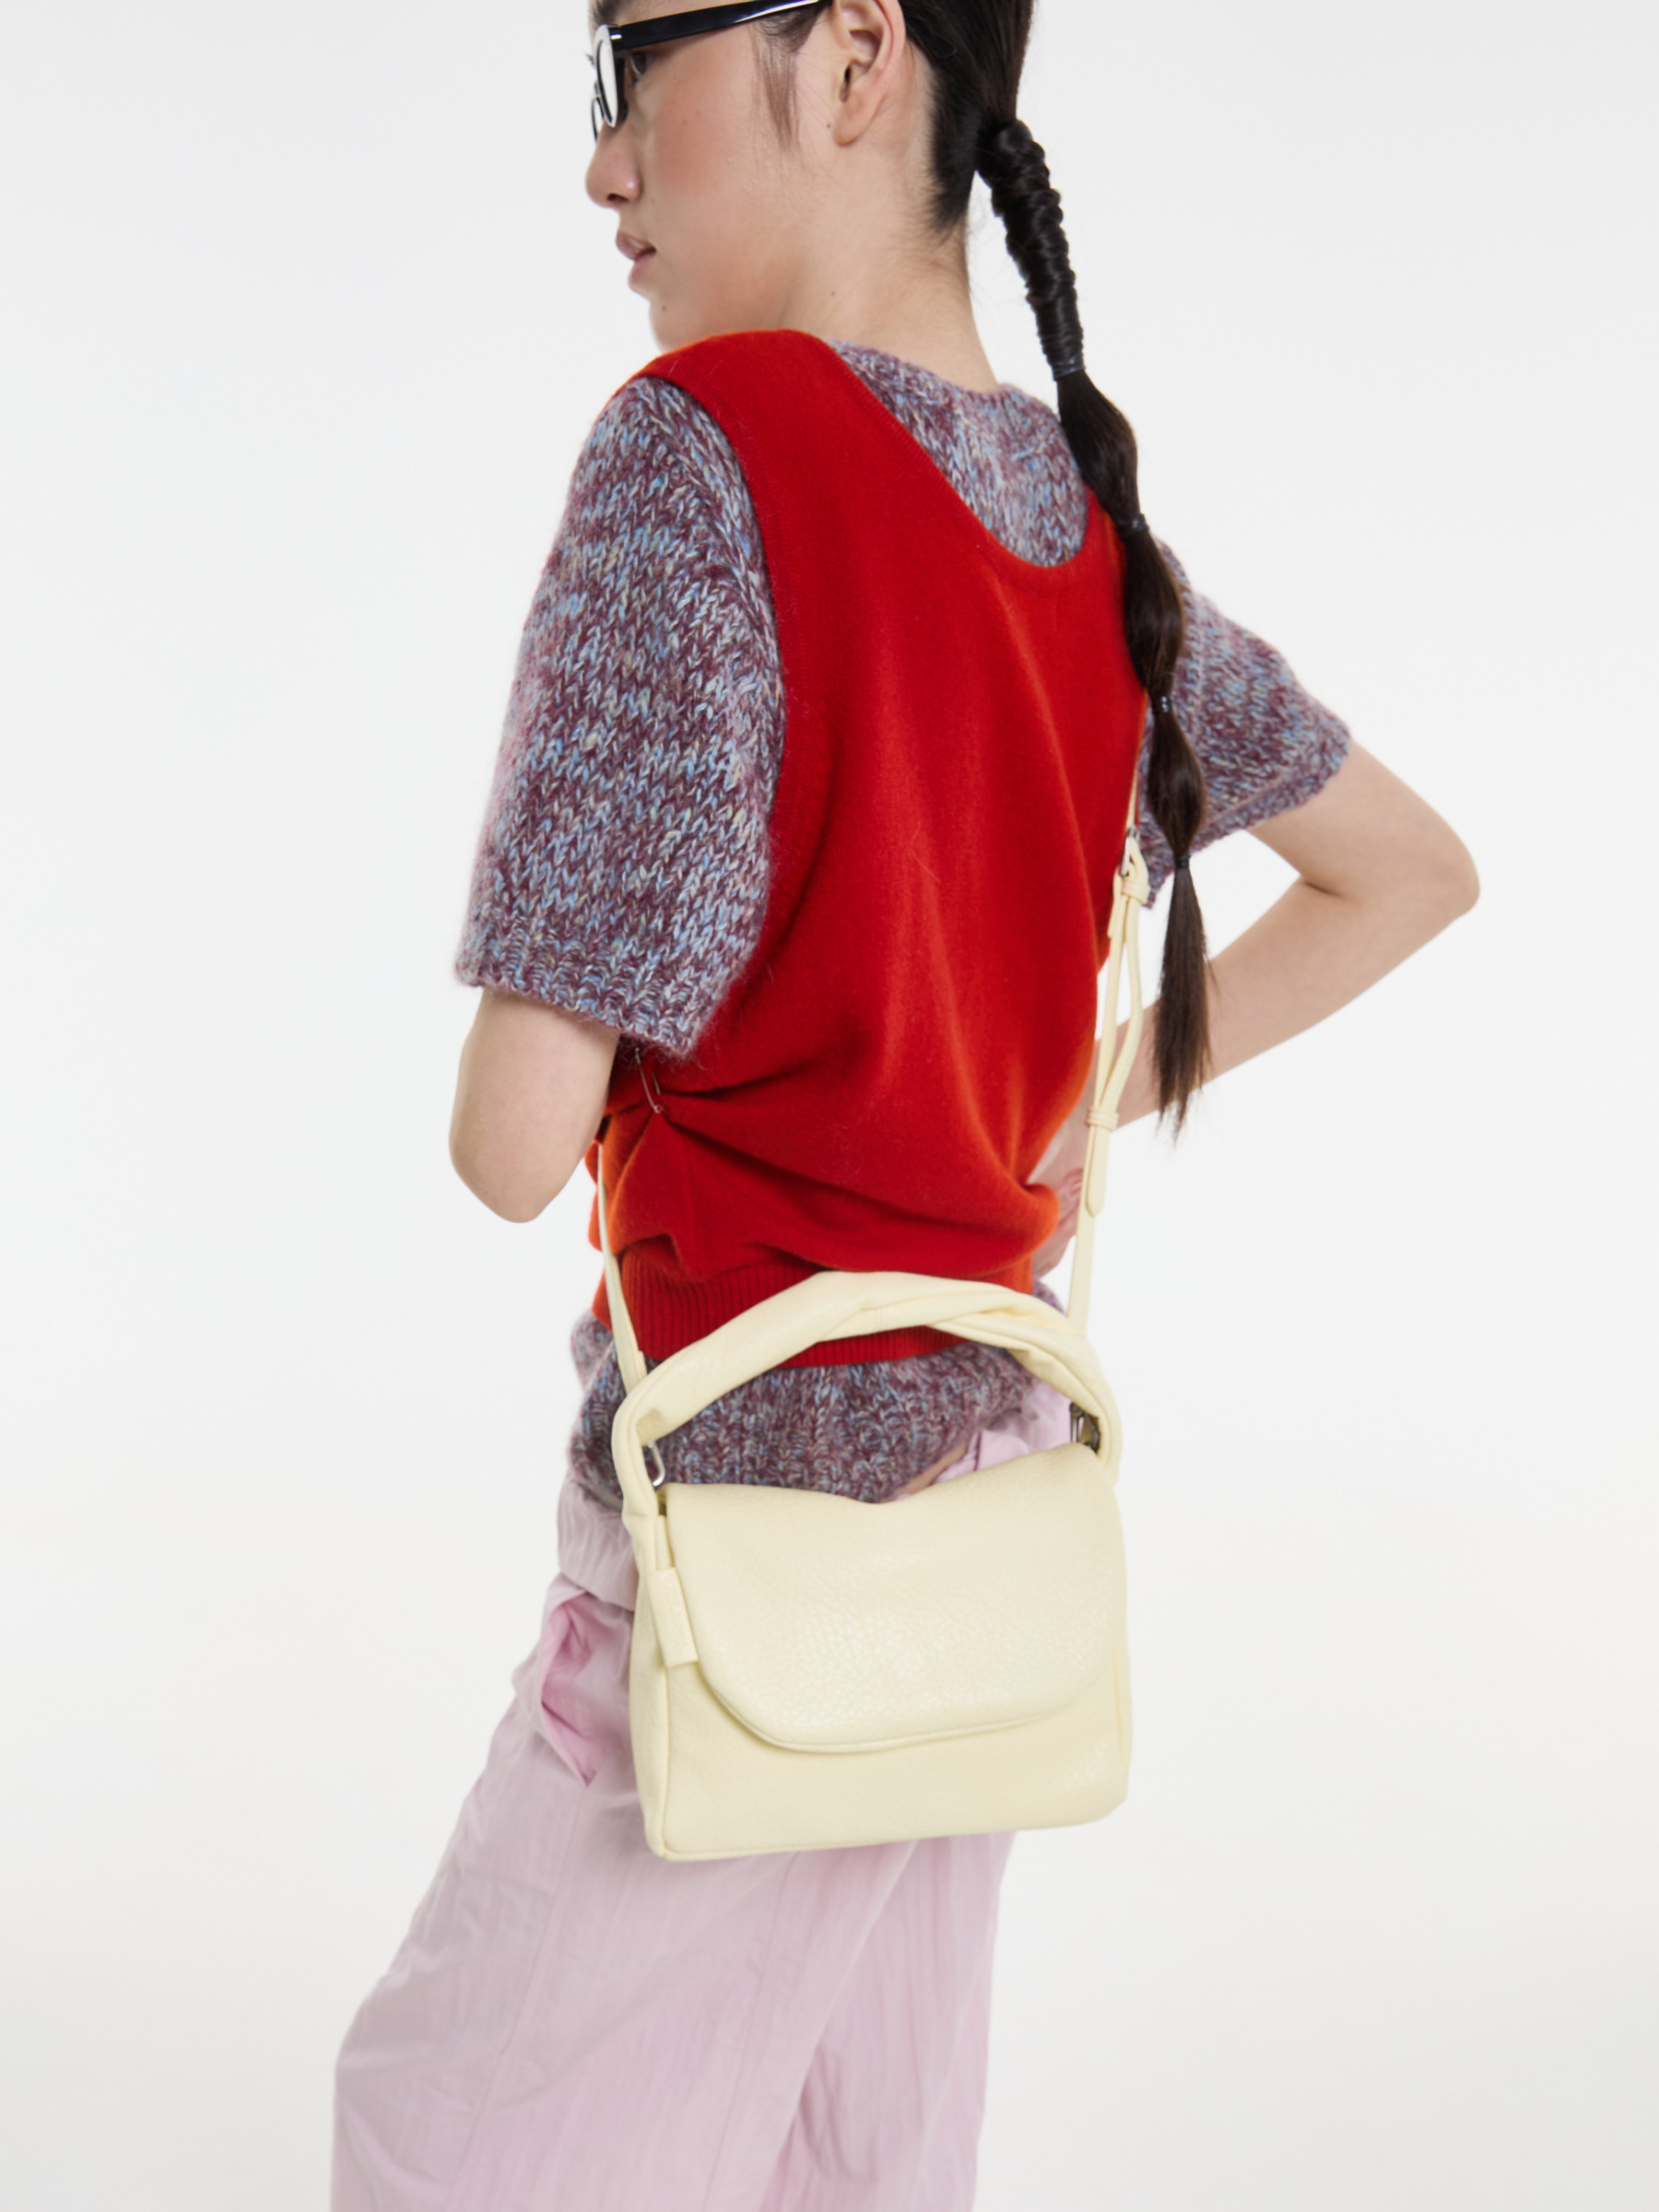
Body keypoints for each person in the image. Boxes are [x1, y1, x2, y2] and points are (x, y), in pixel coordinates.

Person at [331, 2, 1479, 2205]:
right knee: (851, 2172)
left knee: (441, 2149)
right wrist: (1083, 1094)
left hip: (733, 1560)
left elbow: (508, 1142)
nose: (602, 166)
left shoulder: (697, 454)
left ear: (854, 55)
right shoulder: (1088, 536)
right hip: (978, 1549)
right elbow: (1408, 870)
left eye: (629, 64)